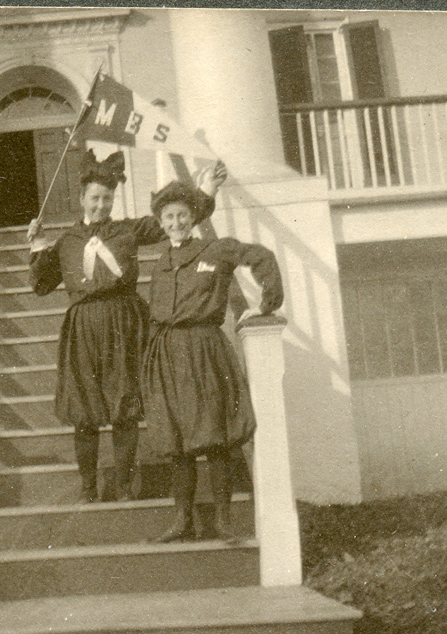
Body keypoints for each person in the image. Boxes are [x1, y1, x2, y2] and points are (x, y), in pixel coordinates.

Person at [26, 150, 222, 504]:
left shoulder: (129, 230)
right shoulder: (67, 241)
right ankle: (88, 487)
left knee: (124, 409)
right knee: (84, 413)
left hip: (124, 324)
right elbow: (41, 285)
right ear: (82, 198)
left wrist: (206, 190)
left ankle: (125, 485)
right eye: (95, 198)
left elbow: (177, 218)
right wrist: (39, 245)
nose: (101, 205)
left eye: (107, 198)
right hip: (83, 328)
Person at [141, 174, 283, 543]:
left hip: (205, 351)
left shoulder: (214, 250)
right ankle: (181, 520)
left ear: (194, 216)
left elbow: (260, 256)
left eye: (182, 215)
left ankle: (223, 520)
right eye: (169, 217)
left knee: (215, 438)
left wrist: (265, 305)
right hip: (167, 356)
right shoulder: (160, 262)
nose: (176, 223)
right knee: (177, 442)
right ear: (161, 223)